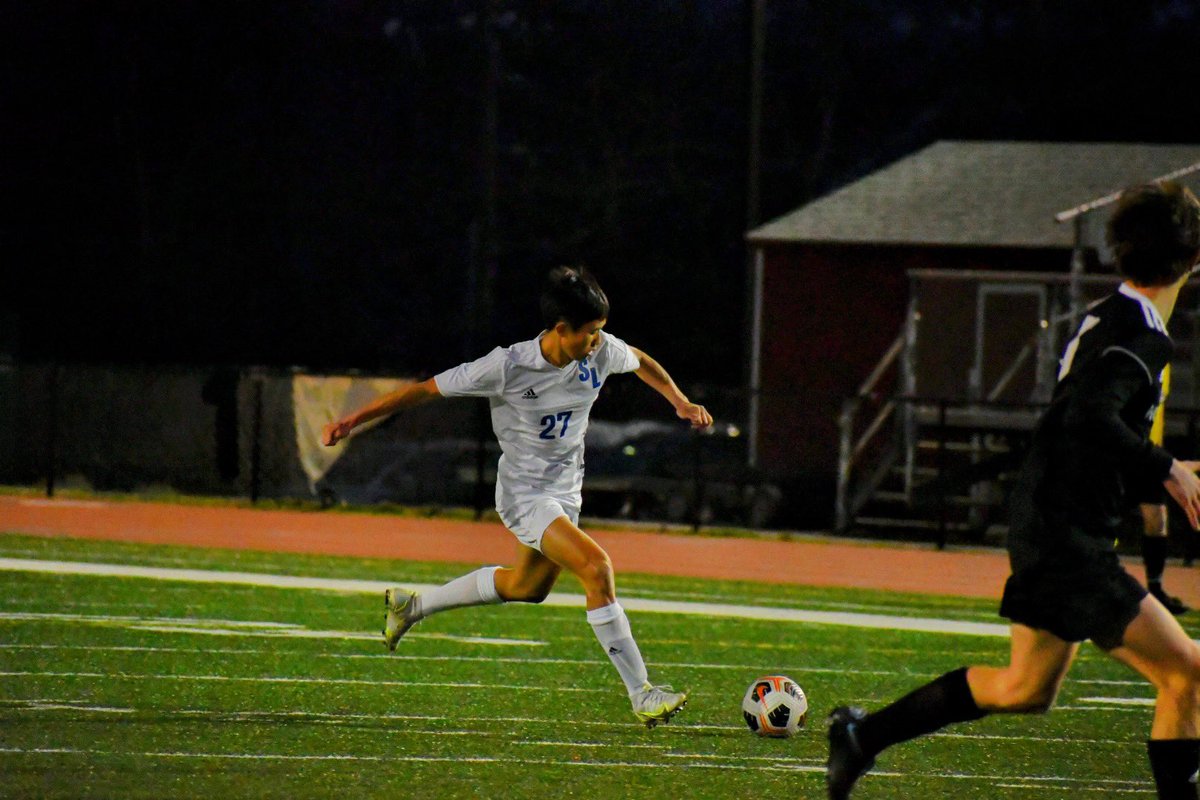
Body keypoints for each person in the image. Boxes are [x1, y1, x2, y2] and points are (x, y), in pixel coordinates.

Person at [825, 182, 1200, 799]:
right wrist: (1165, 465)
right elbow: (1088, 417)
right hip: (1068, 537)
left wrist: (1163, 464)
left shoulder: (1114, 314)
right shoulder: (1141, 336)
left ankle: (863, 738)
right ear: (1191, 259)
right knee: (1185, 674)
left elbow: (1090, 432)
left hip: (1050, 522)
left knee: (1025, 689)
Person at [322, 266, 712, 727]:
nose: (597, 342)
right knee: (596, 567)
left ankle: (412, 607)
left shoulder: (599, 352)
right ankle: (643, 694)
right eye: (589, 333)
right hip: (526, 496)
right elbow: (427, 391)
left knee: (527, 588)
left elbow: (640, 360)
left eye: (600, 333)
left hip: (566, 493)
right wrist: (354, 421)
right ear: (561, 329)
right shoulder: (507, 366)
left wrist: (678, 400)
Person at [1143, 365, 1191, 616]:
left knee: (1157, 518)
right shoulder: (1137, 350)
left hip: (1148, 451)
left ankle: (1155, 589)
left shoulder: (1163, 359)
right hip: (1128, 449)